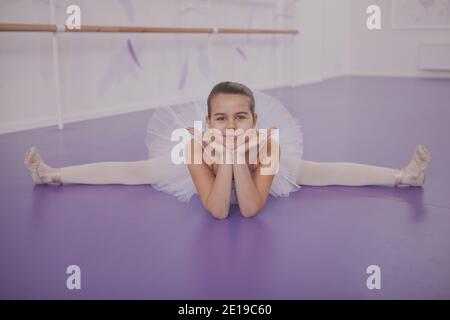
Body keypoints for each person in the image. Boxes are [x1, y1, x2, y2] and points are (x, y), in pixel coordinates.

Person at [24, 81, 432, 219]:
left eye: (241, 118)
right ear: (208, 123)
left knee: (315, 170)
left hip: (252, 167)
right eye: (222, 119)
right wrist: (225, 158)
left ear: (254, 121)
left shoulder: (267, 141)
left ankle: (403, 176)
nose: (232, 126)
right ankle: (53, 173)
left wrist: (239, 157)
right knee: (140, 170)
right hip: (210, 167)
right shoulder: (195, 144)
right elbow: (219, 211)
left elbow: (250, 208)